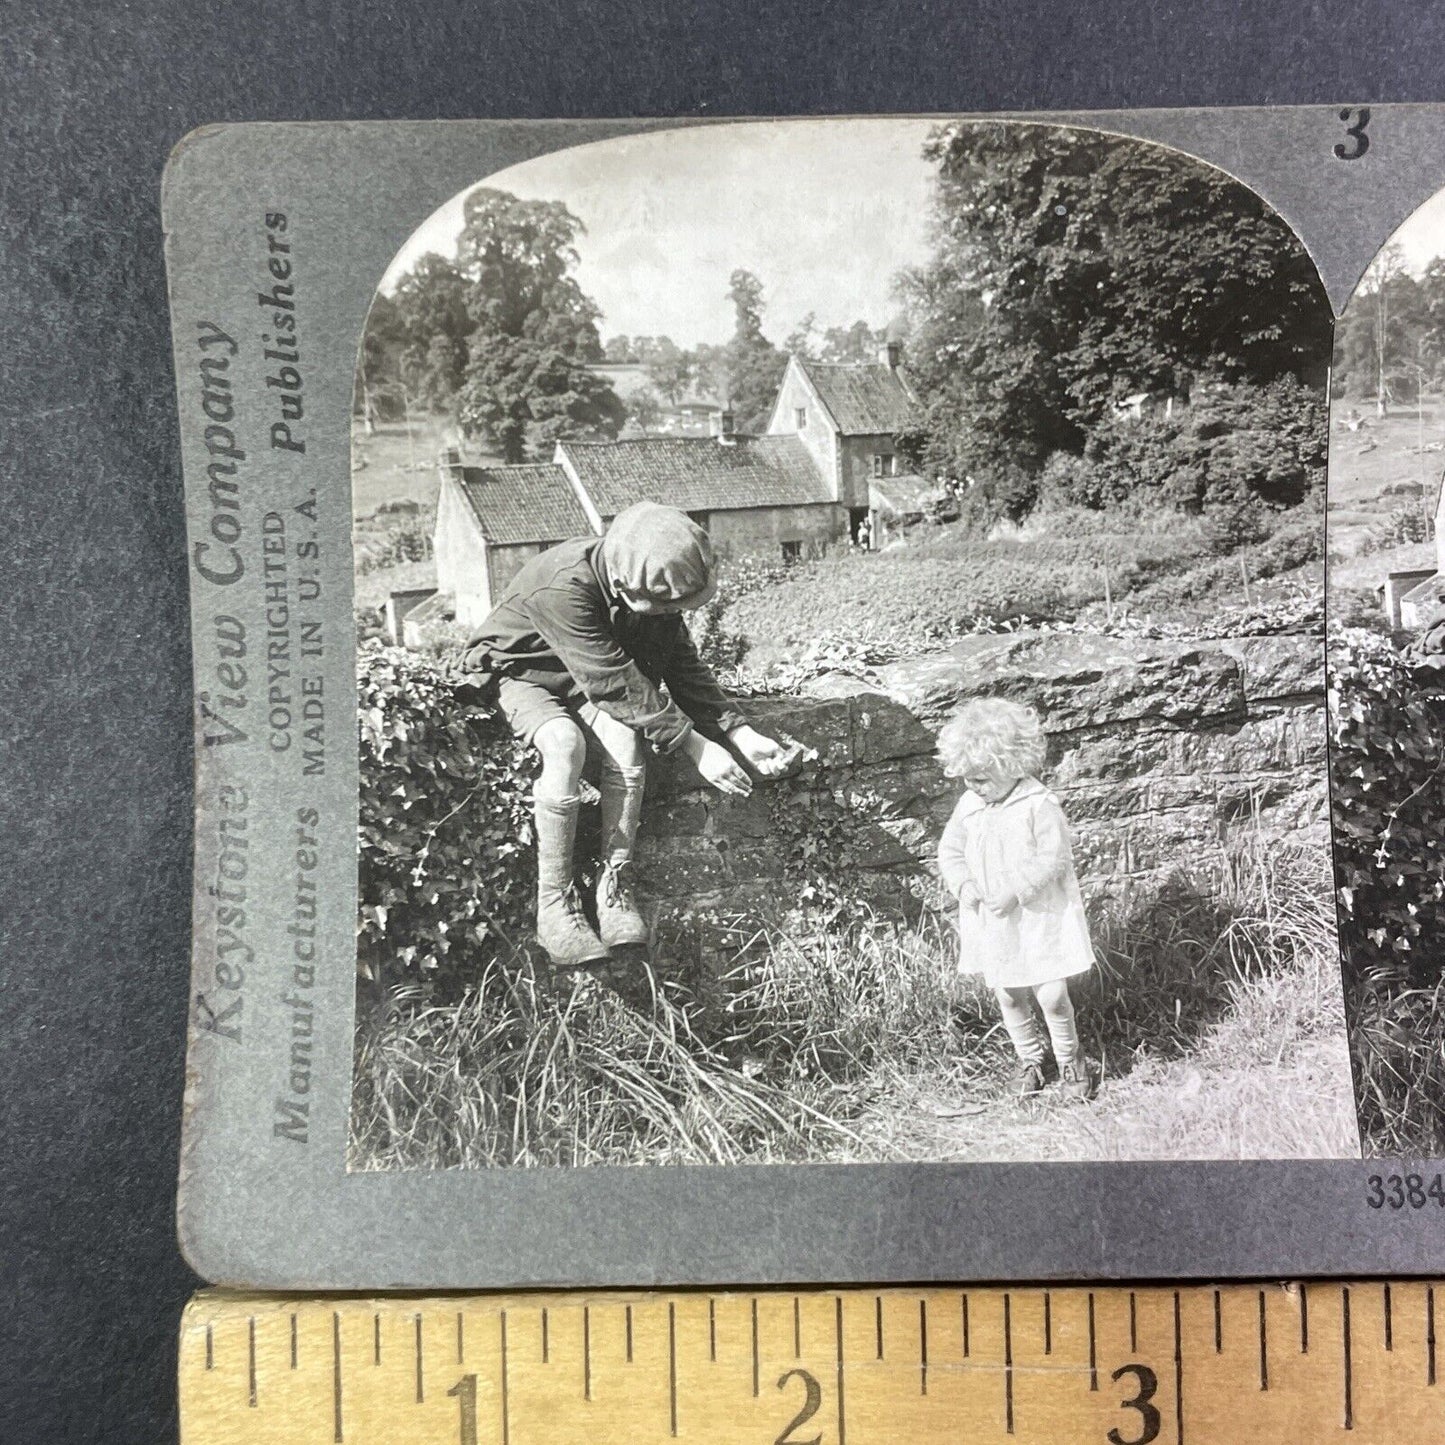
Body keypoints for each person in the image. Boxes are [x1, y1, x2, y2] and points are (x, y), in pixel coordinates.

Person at [457, 501, 790, 968]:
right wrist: (695, 745)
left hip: (583, 678)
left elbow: (679, 665)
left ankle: (613, 886)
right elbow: (613, 680)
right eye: (663, 608)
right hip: (522, 675)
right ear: (623, 586)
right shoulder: (563, 586)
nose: (670, 615)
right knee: (564, 745)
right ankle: (554, 905)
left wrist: (739, 731)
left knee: (626, 740)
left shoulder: (643, 581)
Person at [936, 698, 1097, 1102]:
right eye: (968, 779)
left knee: (1052, 993)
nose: (974, 787)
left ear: (1013, 765)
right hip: (995, 920)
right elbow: (950, 850)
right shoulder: (969, 805)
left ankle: (1071, 1059)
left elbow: (1053, 858)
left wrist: (1017, 890)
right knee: (1008, 991)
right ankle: (1029, 1059)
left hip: (1039, 916)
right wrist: (964, 885)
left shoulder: (1038, 804)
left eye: (983, 779)